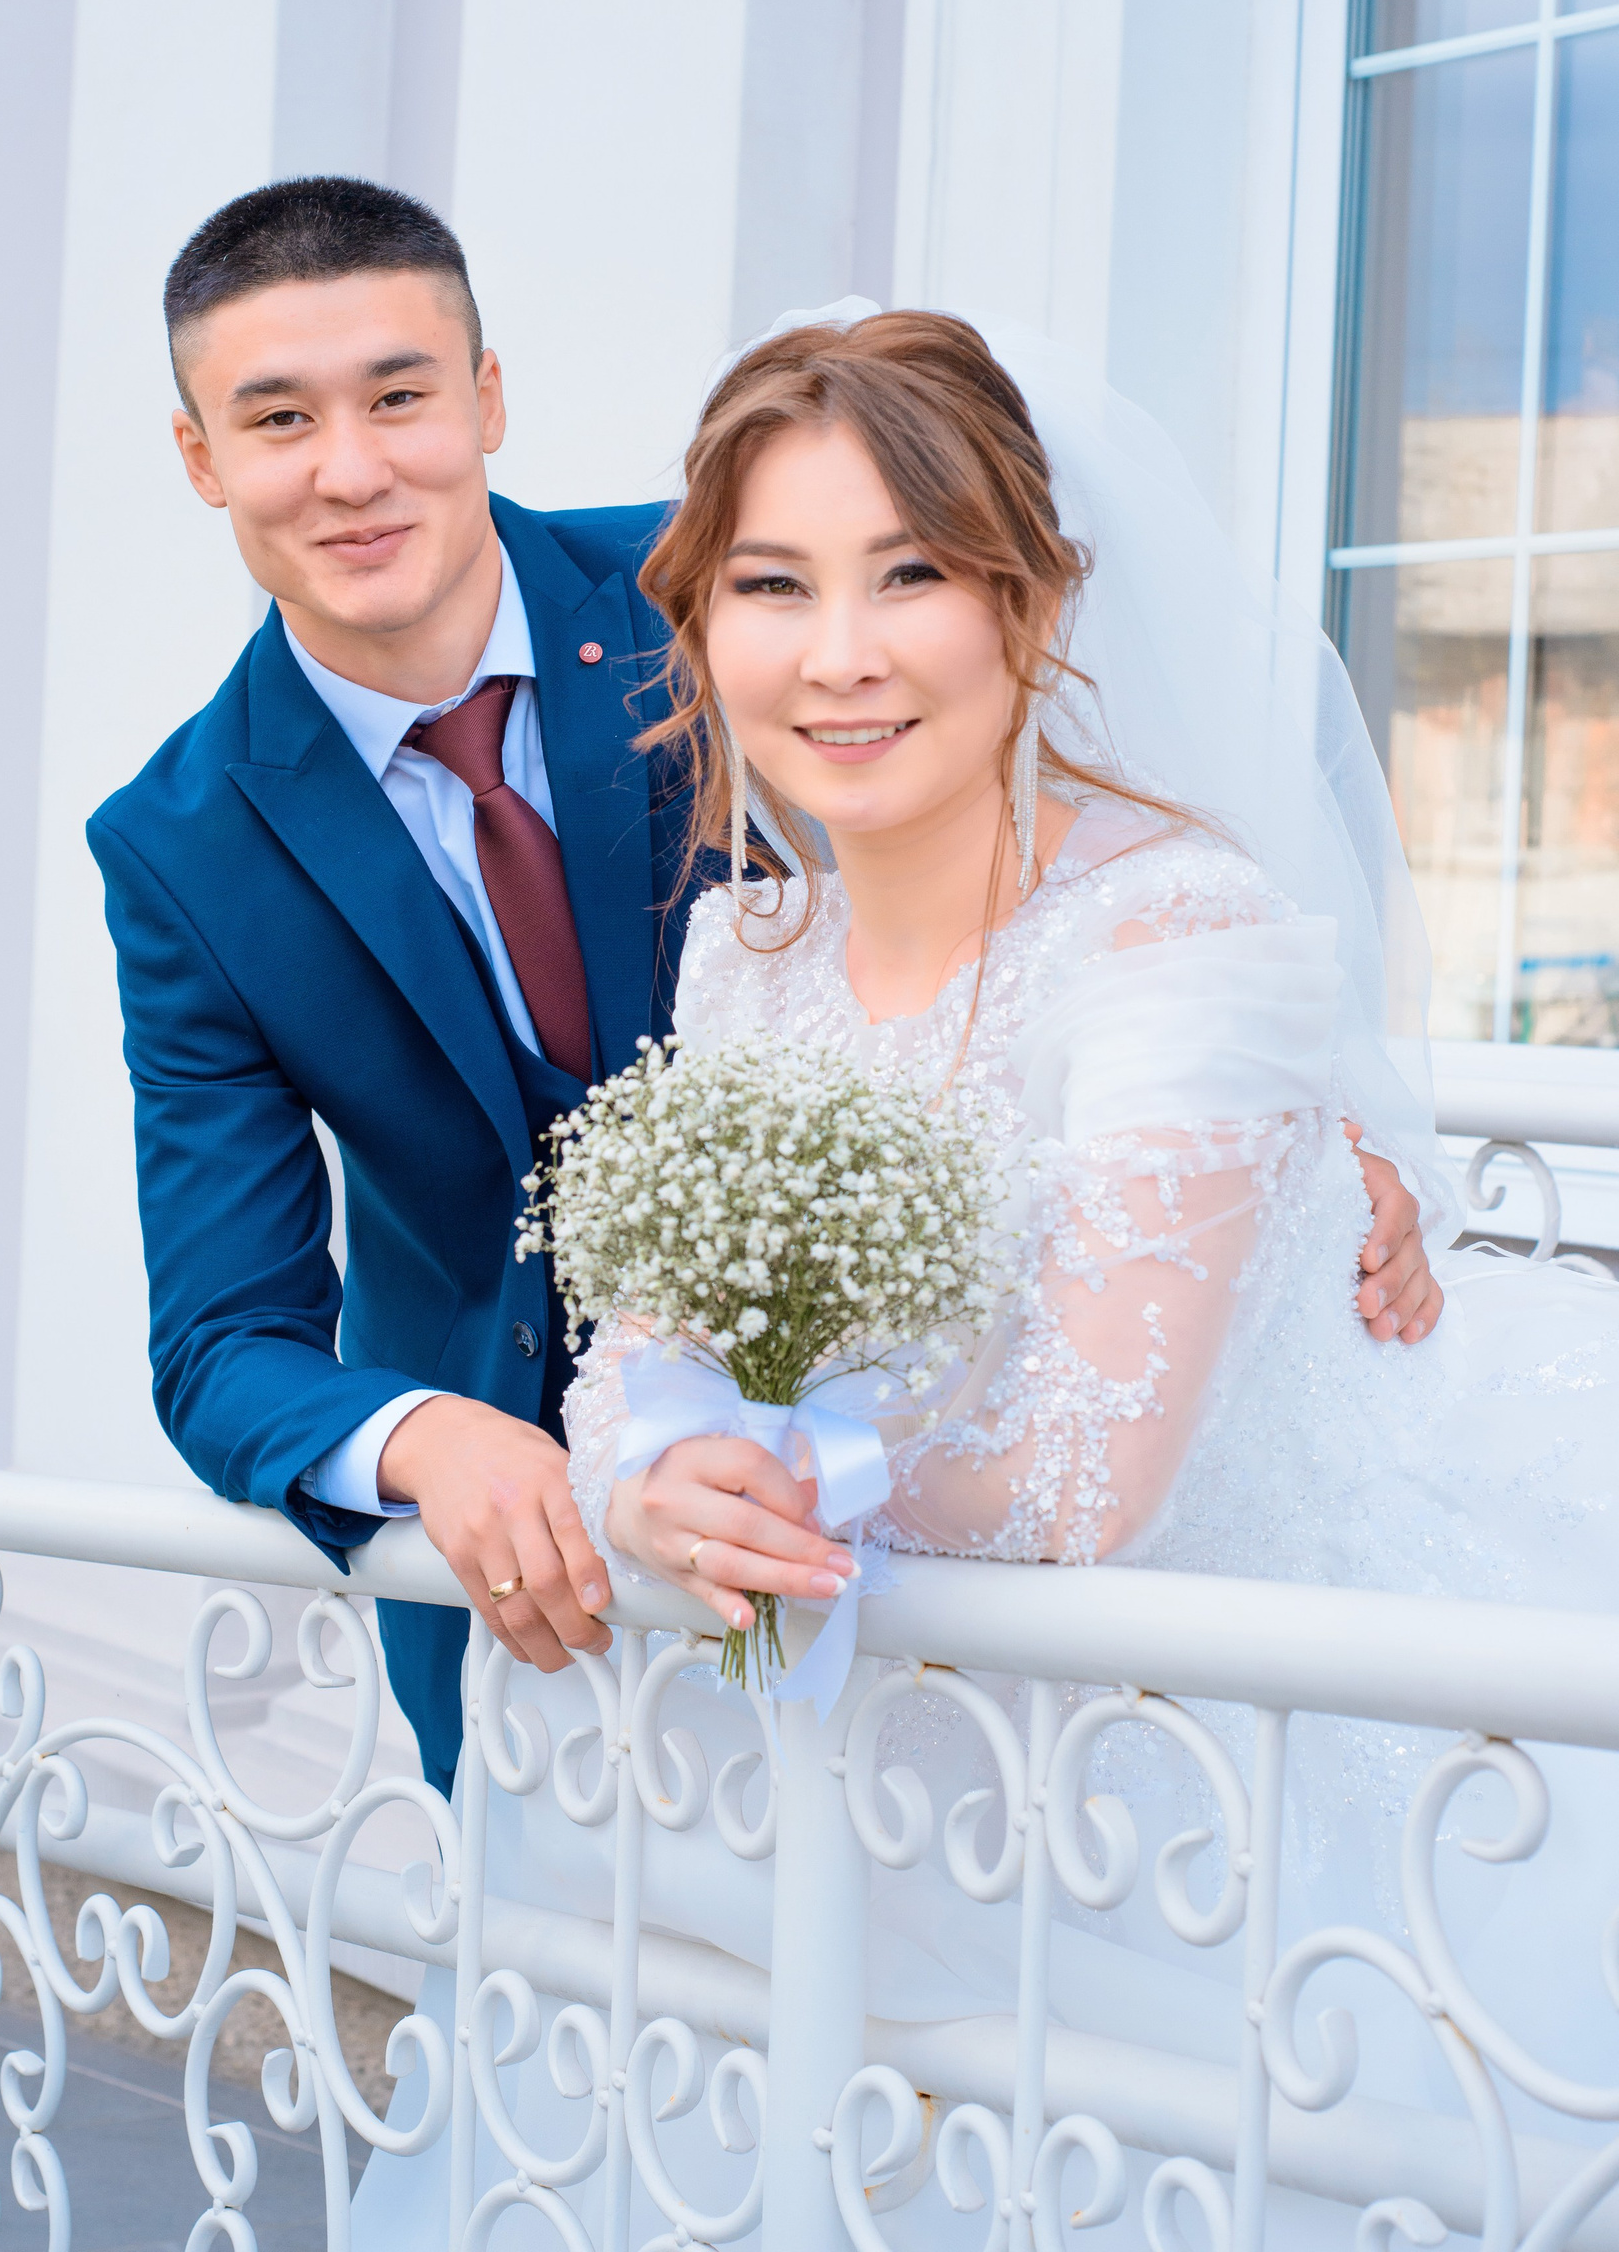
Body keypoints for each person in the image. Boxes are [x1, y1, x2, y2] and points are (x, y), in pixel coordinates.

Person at [354, 304, 1619, 2244]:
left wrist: (771, 1480)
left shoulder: (1181, 938)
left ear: (1030, 602)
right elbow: (636, 1362)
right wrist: (646, 1480)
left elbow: (1088, 1476)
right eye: (773, 584)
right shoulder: (747, 951)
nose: (840, 653)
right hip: (839, 1765)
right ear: (699, 627)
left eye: (913, 575)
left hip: (1193, 1797)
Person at [89, 187, 1439, 1798]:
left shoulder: (743, 581)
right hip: (540, 1579)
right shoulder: (179, 844)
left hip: (1022, 1625)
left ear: (487, 397)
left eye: (398, 395)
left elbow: (1075, 913)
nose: (351, 469)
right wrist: (431, 1438)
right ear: (201, 459)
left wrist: (1299, 1130)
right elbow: (222, 1335)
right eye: (278, 420)